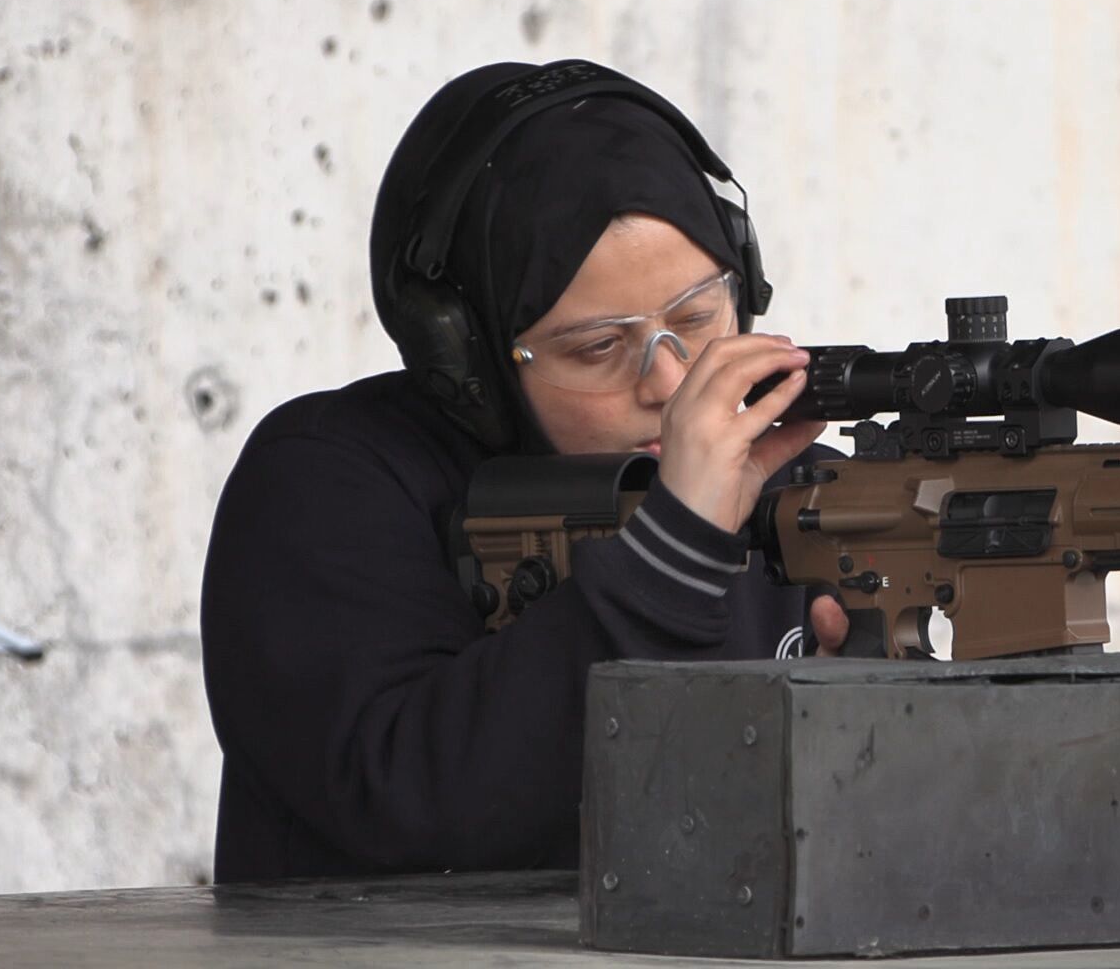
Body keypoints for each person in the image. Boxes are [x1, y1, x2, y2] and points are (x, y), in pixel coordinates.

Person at [200, 60, 847, 883]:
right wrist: (672, 556)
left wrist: (877, 730)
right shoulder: (326, 483)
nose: (670, 380)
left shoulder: (805, 493)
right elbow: (404, 807)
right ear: (466, 360)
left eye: (696, 316)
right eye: (598, 347)